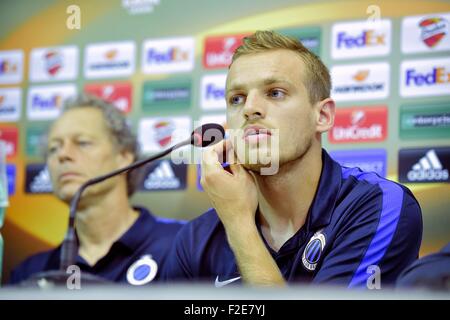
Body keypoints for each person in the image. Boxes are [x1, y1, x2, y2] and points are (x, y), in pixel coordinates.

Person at [162, 30, 423, 288]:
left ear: (322, 116)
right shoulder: (196, 239)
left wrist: (239, 224)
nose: (249, 108)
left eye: (275, 93)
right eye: (237, 99)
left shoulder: (379, 205)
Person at [9, 94, 184, 286]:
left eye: (82, 142)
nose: (63, 155)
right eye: (53, 148)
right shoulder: (31, 274)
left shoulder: (185, 245)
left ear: (124, 156)